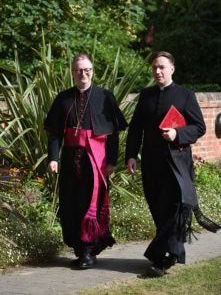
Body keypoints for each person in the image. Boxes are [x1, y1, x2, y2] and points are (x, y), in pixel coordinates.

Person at [125, 51, 220, 277]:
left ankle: (164, 257)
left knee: (174, 208)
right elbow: (136, 129)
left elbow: (199, 127)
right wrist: (130, 156)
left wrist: (177, 133)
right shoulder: (146, 96)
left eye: (162, 67)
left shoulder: (185, 95)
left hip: (176, 164)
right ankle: (169, 252)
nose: (157, 71)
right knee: (158, 208)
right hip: (151, 162)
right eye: (154, 68)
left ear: (172, 69)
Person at [44, 54, 127, 269]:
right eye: (79, 70)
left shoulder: (105, 96)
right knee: (71, 203)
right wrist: (53, 158)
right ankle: (80, 249)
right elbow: (54, 133)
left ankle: (89, 251)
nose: (83, 73)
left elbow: (113, 133)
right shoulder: (63, 98)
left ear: (92, 71)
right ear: (73, 72)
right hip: (71, 158)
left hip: (95, 160)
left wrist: (111, 161)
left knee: (89, 203)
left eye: (87, 69)